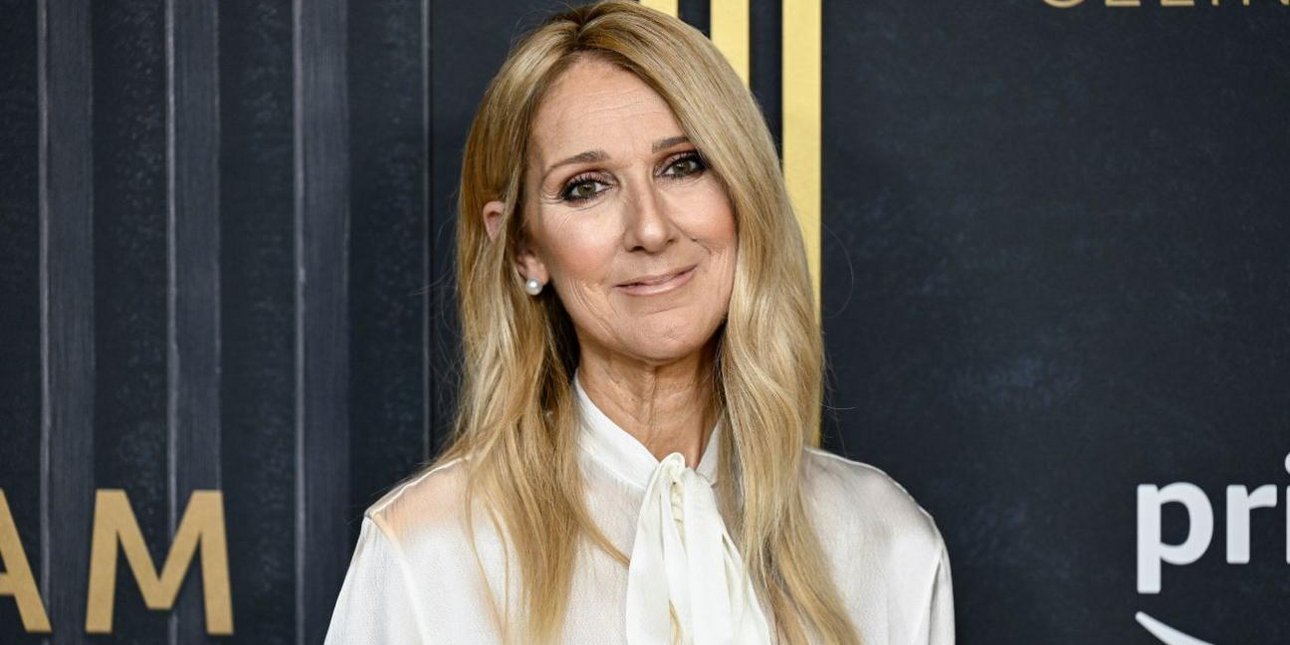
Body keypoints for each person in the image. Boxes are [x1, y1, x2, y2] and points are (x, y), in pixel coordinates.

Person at [325, 1, 953, 643]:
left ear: (745, 193)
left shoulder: (885, 542)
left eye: (683, 165)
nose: (650, 229)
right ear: (523, 248)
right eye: (587, 186)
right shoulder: (426, 556)